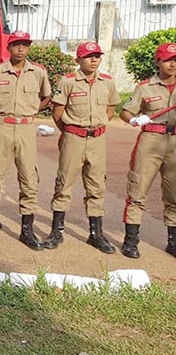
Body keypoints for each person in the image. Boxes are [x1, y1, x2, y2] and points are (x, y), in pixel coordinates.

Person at [41, 42, 120, 253]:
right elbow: (57, 113)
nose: (94, 60)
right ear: (78, 60)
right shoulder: (68, 82)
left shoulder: (108, 82)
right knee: (64, 183)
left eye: (97, 56)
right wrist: (69, 132)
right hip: (73, 138)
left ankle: (96, 234)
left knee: (96, 185)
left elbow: (110, 111)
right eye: (88, 56)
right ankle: (56, 232)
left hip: (97, 140)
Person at [0, 31, 52, 250]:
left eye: (25, 45)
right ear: (9, 48)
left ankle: (26, 230)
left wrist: (31, 111)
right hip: (2, 125)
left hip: (26, 127)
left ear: (28, 48)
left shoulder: (38, 72)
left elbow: (46, 96)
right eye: (16, 45)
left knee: (29, 178)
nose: (21, 49)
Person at [119, 42, 176, 259]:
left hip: (175, 143)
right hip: (151, 140)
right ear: (157, 62)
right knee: (137, 191)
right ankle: (131, 241)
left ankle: (173, 242)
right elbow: (125, 112)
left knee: (174, 195)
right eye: (168, 59)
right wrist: (134, 119)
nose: (173, 64)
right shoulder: (145, 87)